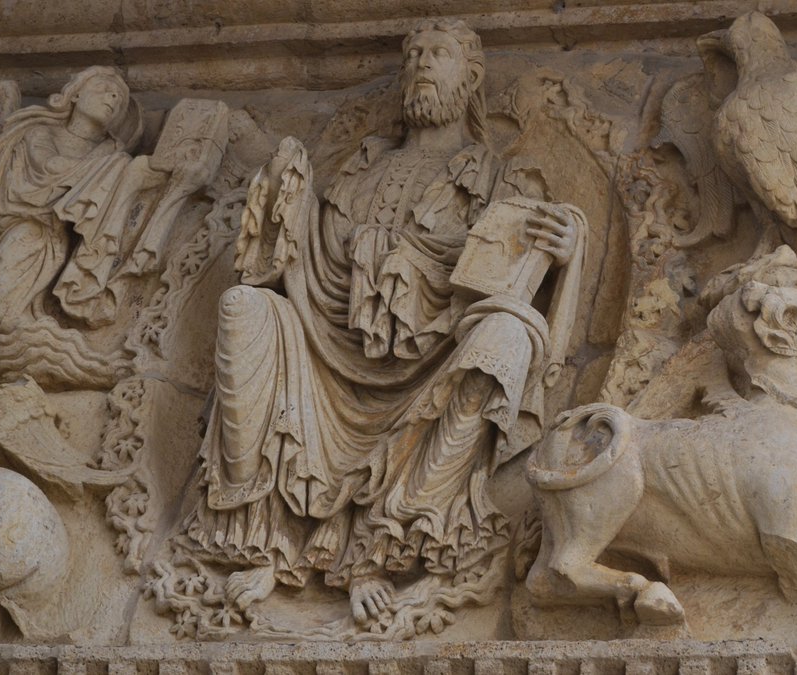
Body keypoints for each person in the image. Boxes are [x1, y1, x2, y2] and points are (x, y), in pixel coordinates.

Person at [181, 18, 582, 626]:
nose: (421, 63)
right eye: (413, 53)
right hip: (327, 342)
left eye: (438, 53)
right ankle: (268, 538)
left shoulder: (499, 177)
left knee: (505, 337)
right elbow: (305, 261)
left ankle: (381, 548)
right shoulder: (360, 169)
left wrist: (570, 245)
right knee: (245, 308)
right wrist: (286, 196)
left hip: (435, 356)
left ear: (471, 76)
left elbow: (522, 277)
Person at [0, 67, 167, 335]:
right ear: (74, 95)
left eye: (118, 98)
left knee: (2, 317)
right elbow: (49, 166)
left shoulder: (112, 156)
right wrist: (109, 168)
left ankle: (6, 330)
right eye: (103, 89)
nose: (112, 98)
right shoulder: (38, 132)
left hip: (36, 235)